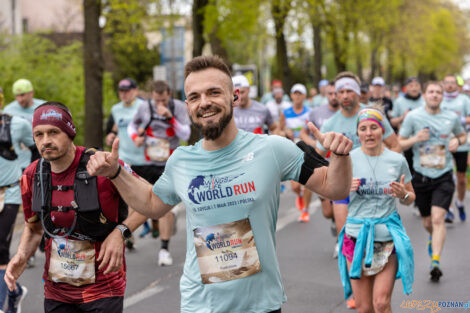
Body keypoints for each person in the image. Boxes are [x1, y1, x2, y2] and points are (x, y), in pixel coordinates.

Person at [87, 55, 353, 313]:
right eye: (194, 97)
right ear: (188, 105)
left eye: (213, 92)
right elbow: (152, 204)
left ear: (234, 97)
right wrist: (115, 172)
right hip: (201, 304)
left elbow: (335, 188)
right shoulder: (181, 160)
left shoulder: (271, 149)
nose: (204, 103)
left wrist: (340, 156)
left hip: (259, 304)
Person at [4, 101, 147, 313]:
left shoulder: (102, 166)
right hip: (57, 289)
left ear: (70, 132)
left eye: (53, 132)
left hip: (104, 288)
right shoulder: (32, 175)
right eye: (39, 134)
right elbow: (34, 228)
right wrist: (21, 256)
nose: (46, 141)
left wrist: (120, 233)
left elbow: (149, 200)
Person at [316, 72, 401, 309]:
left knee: (376, 234)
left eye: (348, 91)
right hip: (344, 188)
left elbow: (395, 145)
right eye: (340, 91)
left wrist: (390, 171)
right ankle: (355, 288)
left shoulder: (372, 116)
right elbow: (317, 157)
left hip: (374, 188)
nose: (344, 95)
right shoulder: (331, 123)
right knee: (348, 236)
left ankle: (376, 285)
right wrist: (326, 184)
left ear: (357, 92)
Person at [339, 107, 415, 313]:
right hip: (355, 239)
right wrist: (343, 189)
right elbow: (331, 194)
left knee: (381, 304)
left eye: (374, 127)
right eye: (363, 128)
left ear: (383, 130)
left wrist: (403, 195)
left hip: (387, 239)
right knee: (364, 308)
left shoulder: (397, 160)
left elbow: (410, 197)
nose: (369, 133)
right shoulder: (347, 159)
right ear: (357, 133)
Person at [398, 81, 466, 282]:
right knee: (428, 222)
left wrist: (457, 141)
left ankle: (435, 261)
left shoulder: (451, 118)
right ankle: (432, 239)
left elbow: (462, 135)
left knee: (438, 219)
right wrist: (415, 139)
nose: (435, 95)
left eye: (438, 92)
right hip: (420, 177)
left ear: (442, 96)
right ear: (425, 95)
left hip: (443, 176)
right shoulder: (413, 117)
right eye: (431, 92)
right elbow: (399, 142)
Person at [128, 80, 190, 266]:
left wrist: (170, 117)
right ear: (152, 96)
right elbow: (133, 125)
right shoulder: (144, 107)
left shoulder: (178, 107)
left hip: (169, 163)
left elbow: (186, 134)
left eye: (163, 99)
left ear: (169, 94)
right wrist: (135, 138)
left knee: (167, 208)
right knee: (136, 201)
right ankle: (128, 236)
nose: (159, 104)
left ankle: (164, 249)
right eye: (156, 100)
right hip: (146, 161)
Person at [0, 109, 37, 313]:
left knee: (1, 249)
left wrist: (30, 173)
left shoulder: (18, 125)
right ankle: (15, 292)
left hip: (10, 192)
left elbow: (36, 148)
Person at [105, 78, 148, 246]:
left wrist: (142, 135)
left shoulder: (143, 107)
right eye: (121, 91)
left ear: (135, 91)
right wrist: (111, 135)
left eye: (127, 90)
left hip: (145, 159)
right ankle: (129, 234)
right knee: (127, 197)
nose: (124, 93)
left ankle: (158, 221)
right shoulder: (116, 109)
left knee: (147, 197)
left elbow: (153, 125)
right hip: (125, 159)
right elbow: (117, 127)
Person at [299, 81, 339, 228]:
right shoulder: (317, 112)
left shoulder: (346, 113)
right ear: (326, 95)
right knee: (327, 212)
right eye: (330, 93)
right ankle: (336, 220)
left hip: (342, 165)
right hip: (323, 163)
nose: (334, 97)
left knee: (343, 204)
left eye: (336, 93)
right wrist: (316, 144)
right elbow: (303, 133)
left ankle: (342, 234)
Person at [440, 74, 470, 222]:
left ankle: (459, 202)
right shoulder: (439, 99)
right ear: (443, 84)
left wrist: (462, 120)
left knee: (461, 179)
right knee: (446, 177)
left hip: (461, 143)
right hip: (443, 144)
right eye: (447, 82)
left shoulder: (464, 100)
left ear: (457, 85)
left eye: (453, 83)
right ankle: (448, 209)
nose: (450, 85)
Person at [280, 83, 312, 222]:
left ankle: (305, 210)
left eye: (300, 93)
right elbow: (278, 130)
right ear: (292, 95)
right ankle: (299, 195)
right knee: (295, 186)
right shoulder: (285, 113)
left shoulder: (310, 112)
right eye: (295, 93)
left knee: (308, 183)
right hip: (292, 152)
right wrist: (284, 132)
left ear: (304, 96)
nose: (297, 96)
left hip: (307, 151)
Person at [3, 79, 45, 171]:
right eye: (17, 96)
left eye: (22, 95)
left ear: (31, 93)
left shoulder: (43, 107)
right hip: (18, 160)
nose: (20, 99)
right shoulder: (8, 110)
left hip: (39, 154)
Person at [390, 77, 426, 175]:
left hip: (423, 141)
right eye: (411, 86)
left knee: (422, 171)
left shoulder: (425, 100)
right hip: (406, 141)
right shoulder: (399, 101)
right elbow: (392, 121)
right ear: (406, 87)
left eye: (416, 86)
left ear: (420, 87)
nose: (414, 88)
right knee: (408, 171)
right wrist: (403, 117)